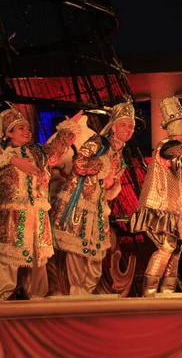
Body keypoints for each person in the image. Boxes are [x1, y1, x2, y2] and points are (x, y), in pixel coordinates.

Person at [52, 101, 135, 295]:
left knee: (97, 254)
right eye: (124, 124)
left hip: (98, 208)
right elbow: (80, 163)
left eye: (131, 126)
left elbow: (109, 186)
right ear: (113, 126)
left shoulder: (121, 156)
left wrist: (112, 184)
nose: (128, 129)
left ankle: (87, 295)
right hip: (80, 204)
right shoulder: (99, 142)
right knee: (78, 252)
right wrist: (103, 169)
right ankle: (76, 294)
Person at [0, 105, 82, 300]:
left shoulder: (38, 153)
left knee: (38, 256)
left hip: (36, 213)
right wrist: (12, 160)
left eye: (28, 128)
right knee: (8, 257)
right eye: (20, 128)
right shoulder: (4, 154)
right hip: (12, 214)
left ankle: (37, 296)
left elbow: (55, 149)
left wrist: (70, 126)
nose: (27, 131)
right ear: (8, 132)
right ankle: (3, 296)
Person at [130, 97, 182, 296]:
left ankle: (167, 294)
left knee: (175, 250)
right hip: (162, 208)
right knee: (166, 247)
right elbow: (170, 152)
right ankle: (148, 293)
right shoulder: (165, 145)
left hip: (178, 210)